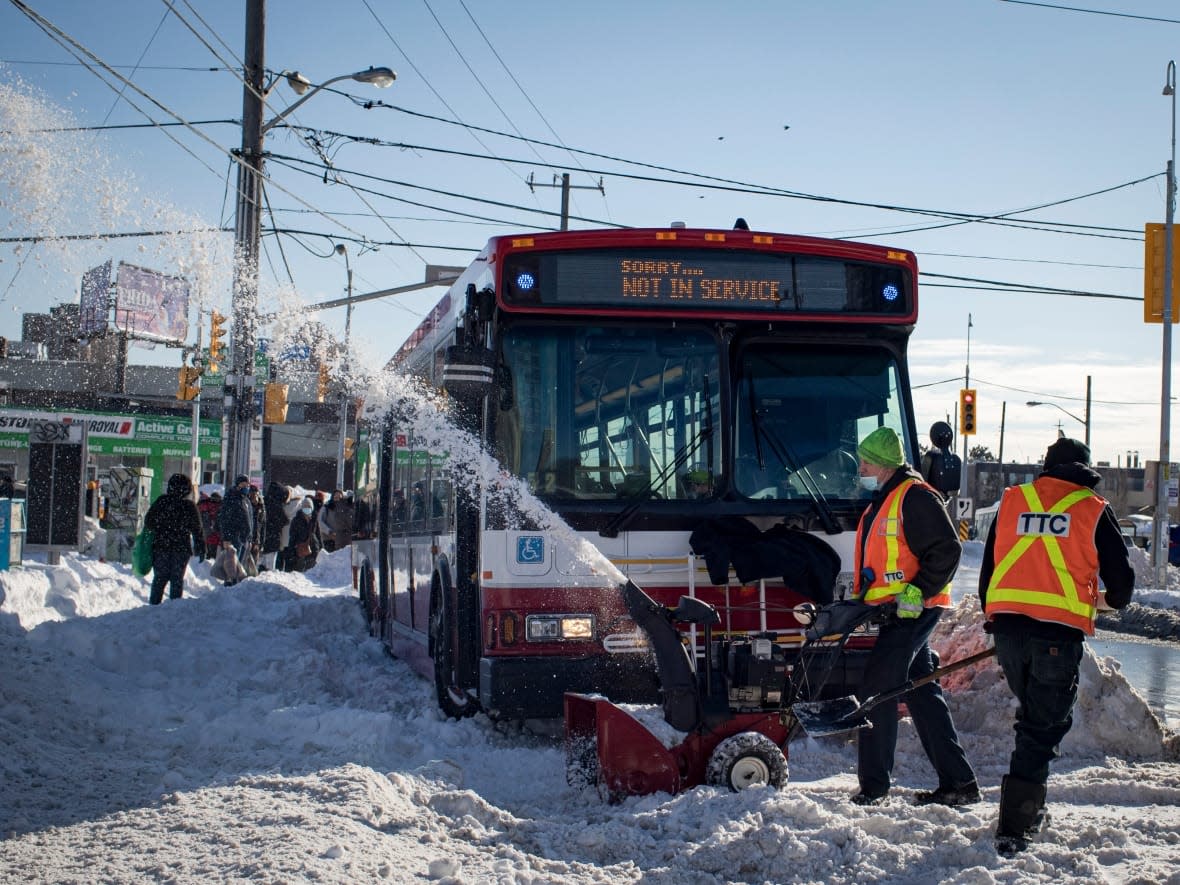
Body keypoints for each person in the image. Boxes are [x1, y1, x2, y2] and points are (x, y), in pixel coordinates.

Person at [979, 437, 1134, 855]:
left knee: (1033, 720)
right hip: (1055, 636)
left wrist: (993, 617)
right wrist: (1101, 601)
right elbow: (1122, 586)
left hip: (1009, 629)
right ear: (1084, 470)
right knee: (1041, 729)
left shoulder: (1014, 500)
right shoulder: (1091, 507)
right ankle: (1015, 826)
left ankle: (1027, 809)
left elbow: (989, 568)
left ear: (1046, 466)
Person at [848, 426, 979, 807]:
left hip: (914, 609)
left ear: (884, 465)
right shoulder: (886, 498)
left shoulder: (915, 497)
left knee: (876, 688)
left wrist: (916, 592)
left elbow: (948, 550)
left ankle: (873, 789)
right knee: (921, 690)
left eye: (866, 462)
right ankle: (958, 783)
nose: (861, 468)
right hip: (896, 609)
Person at [142, 473, 204, 605]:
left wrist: (162, 526)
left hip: (161, 546)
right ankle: (174, 608)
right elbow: (197, 529)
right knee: (177, 579)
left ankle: (153, 606)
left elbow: (149, 522)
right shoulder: (189, 506)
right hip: (181, 548)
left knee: (160, 578)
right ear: (186, 489)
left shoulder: (161, 501)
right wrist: (201, 547)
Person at [215, 474, 255, 584]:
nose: (246, 487)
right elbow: (224, 519)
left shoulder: (246, 500)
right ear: (237, 485)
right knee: (232, 567)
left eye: (247, 484)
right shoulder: (231, 498)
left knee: (240, 566)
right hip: (233, 537)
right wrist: (226, 537)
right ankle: (229, 588)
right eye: (243, 484)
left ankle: (235, 587)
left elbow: (250, 519)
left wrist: (250, 536)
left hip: (244, 538)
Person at [286, 496, 321, 572]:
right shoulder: (296, 520)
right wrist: (291, 551)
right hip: (300, 549)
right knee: (301, 570)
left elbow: (318, 534)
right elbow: (292, 536)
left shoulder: (314, 519)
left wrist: (321, 547)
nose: (307, 509)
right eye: (305, 507)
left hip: (313, 548)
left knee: (311, 571)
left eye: (309, 507)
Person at [262, 481, 290, 572]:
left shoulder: (264, 501)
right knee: (271, 563)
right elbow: (285, 520)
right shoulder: (277, 505)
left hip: (263, 535)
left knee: (262, 560)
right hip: (274, 535)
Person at [198, 491, 221, 559]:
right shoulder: (219, 506)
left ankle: (207, 557)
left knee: (208, 546)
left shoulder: (205, 505)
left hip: (206, 530)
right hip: (215, 531)